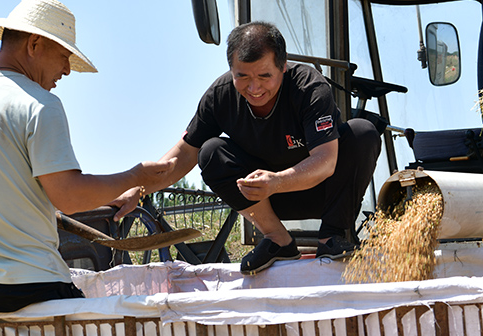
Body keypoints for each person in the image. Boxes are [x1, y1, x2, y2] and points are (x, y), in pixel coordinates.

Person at [0, 0, 175, 313]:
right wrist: (135, 176)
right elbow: (69, 198)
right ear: (34, 45)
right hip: (31, 288)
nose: (67, 70)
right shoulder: (38, 105)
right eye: (63, 56)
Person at [141, 21, 380, 275]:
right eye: (242, 76)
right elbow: (185, 152)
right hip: (263, 200)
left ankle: (332, 237)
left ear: (283, 65)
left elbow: (326, 160)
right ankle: (278, 240)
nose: (254, 89)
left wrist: (277, 180)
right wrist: (138, 187)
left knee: (363, 132)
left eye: (264, 76)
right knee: (210, 151)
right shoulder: (220, 96)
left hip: (322, 192)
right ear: (231, 70)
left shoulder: (309, 88)